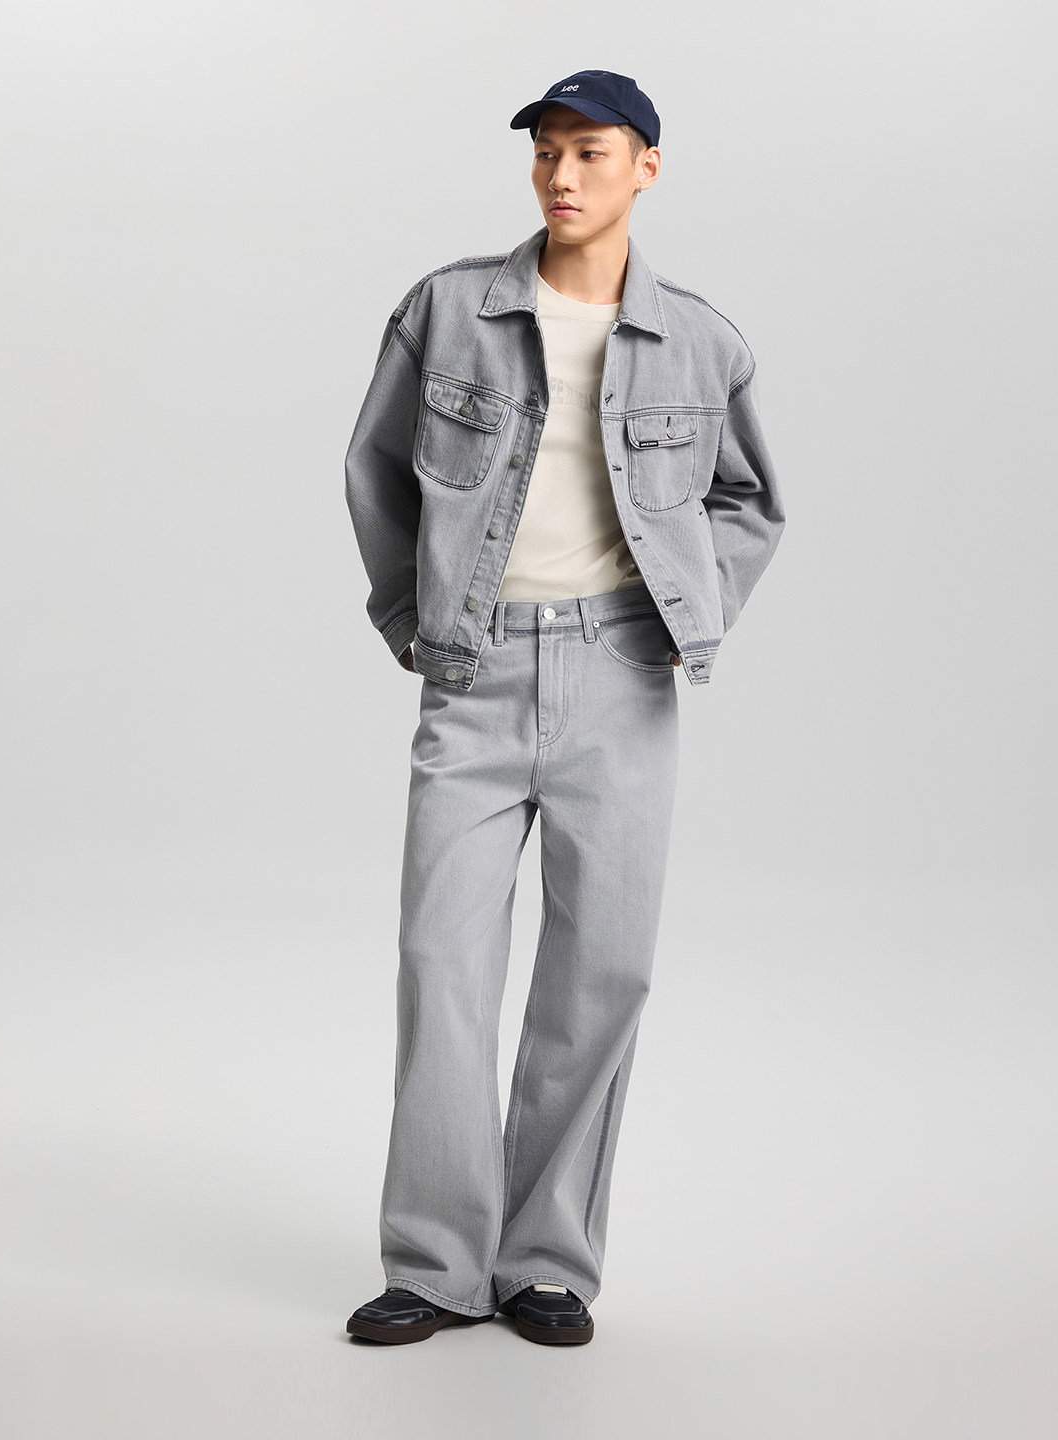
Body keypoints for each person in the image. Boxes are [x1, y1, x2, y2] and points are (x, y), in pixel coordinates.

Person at [342, 69, 785, 1346]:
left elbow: (751, 501)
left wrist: (688, 613)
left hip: (621, 679)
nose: (562, 175)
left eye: (591, 152)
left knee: (602, 973)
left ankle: (545, 1262)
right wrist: (415, 623)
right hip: (475, 674)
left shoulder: (700, 342)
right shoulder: (448, 310)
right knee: (444, 966)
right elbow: (375, 469)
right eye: (546, 152)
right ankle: (434, 1265)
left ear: (648, 167)